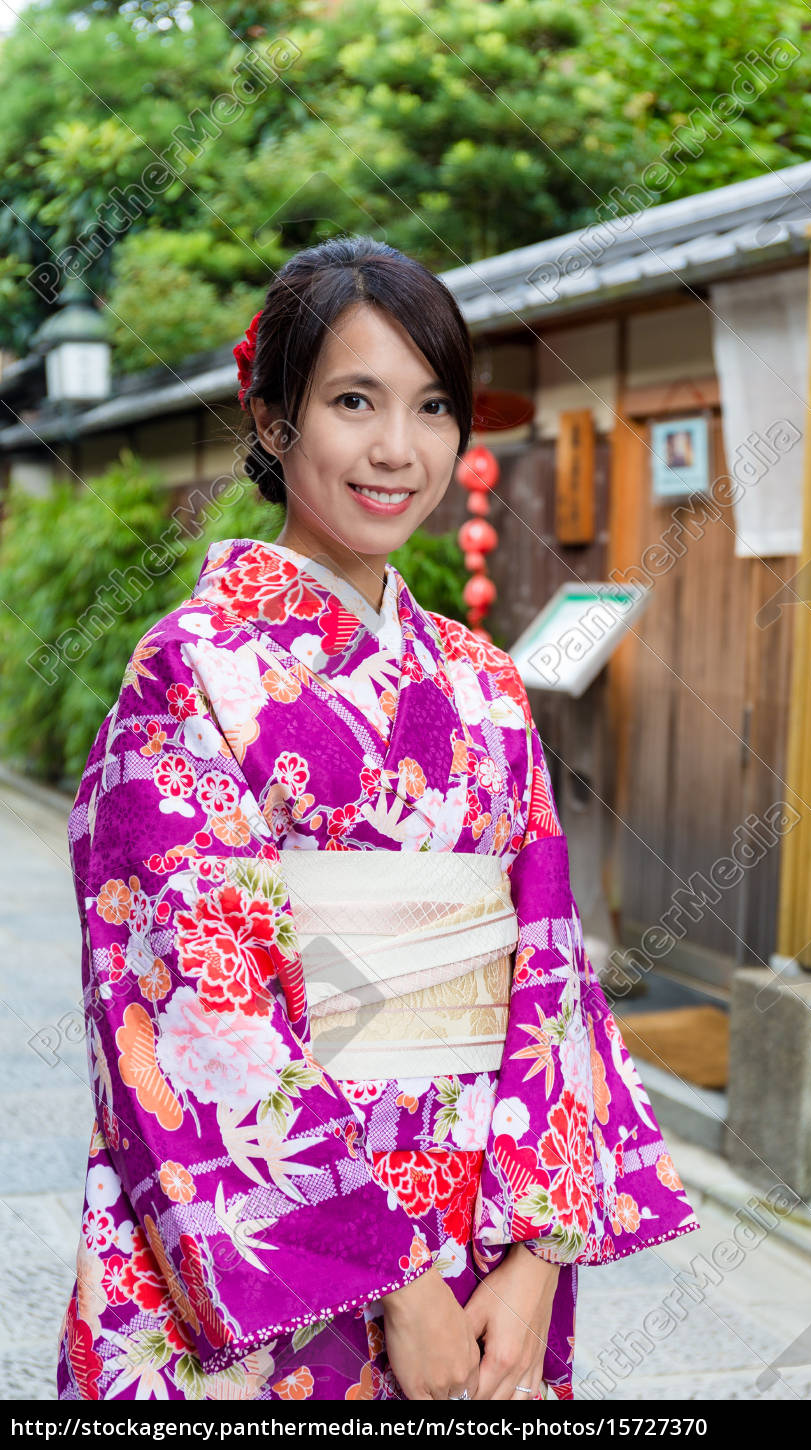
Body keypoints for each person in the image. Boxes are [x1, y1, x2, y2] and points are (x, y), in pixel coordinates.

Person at [56, 236, 699, 1402]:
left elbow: (548, 970)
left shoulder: (484, 683)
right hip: (295, 1235)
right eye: (355, 400)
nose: (399, 450)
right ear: (271, 419)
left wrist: (539, 1255)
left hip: (484, 1229)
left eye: (433, 406)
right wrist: (391, 1281)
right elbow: (194, 1000)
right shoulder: (192, 671)